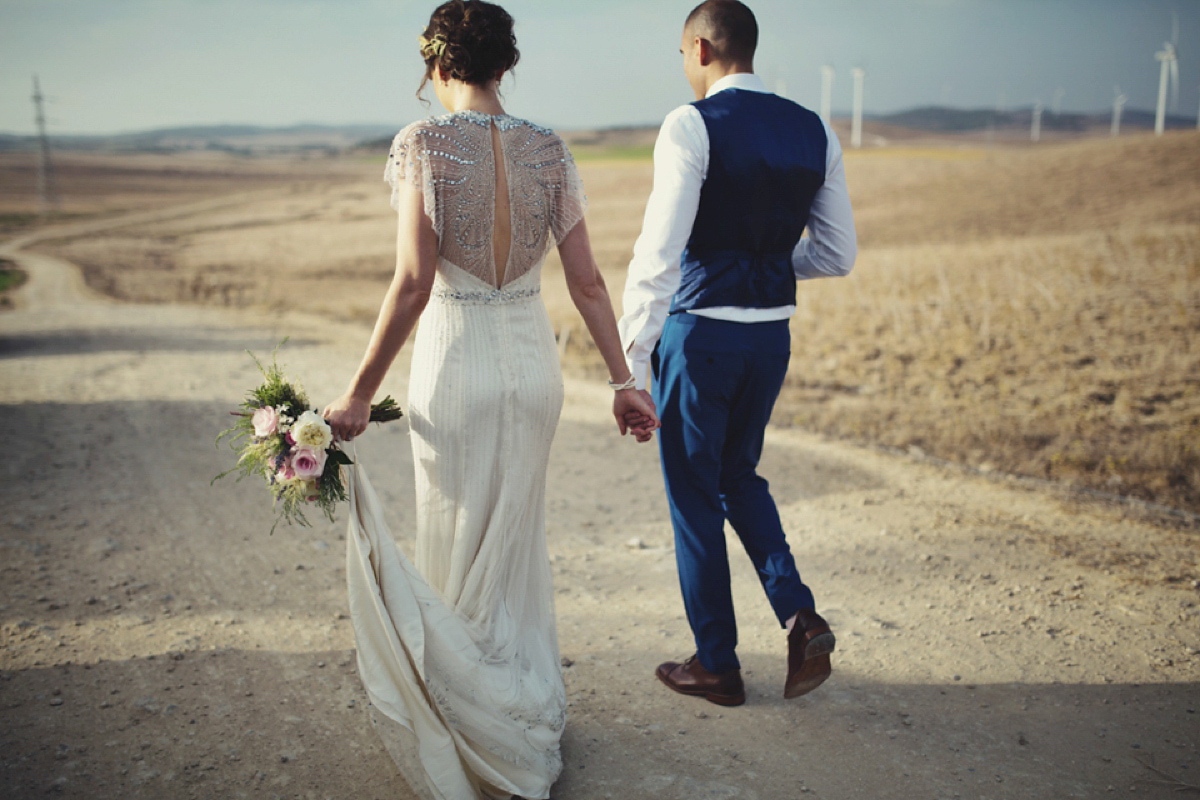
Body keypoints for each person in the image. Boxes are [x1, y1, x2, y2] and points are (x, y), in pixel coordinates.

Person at [323, 2, 658, 797]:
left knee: (458, 531)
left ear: (437, 66)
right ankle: (517, 702)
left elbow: (412, 282)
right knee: (513, 541)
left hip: (457, 359)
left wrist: (359, 393)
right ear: (505, 64)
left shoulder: (424, 143)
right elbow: (586, 281)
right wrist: (624, 381)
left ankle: (473, 722)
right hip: (532, 360)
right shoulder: (551, 149)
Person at [617, 0, 857, 707]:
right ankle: (798, 613)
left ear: (699, 49)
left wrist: (631, 366)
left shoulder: (689, 125)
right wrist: (769, 264)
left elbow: (657, 256)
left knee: (694, 495)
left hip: (701, 339)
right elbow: (838, 254)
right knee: (738, 477)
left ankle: (716, 665)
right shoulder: (814, 129)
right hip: (769, 338)